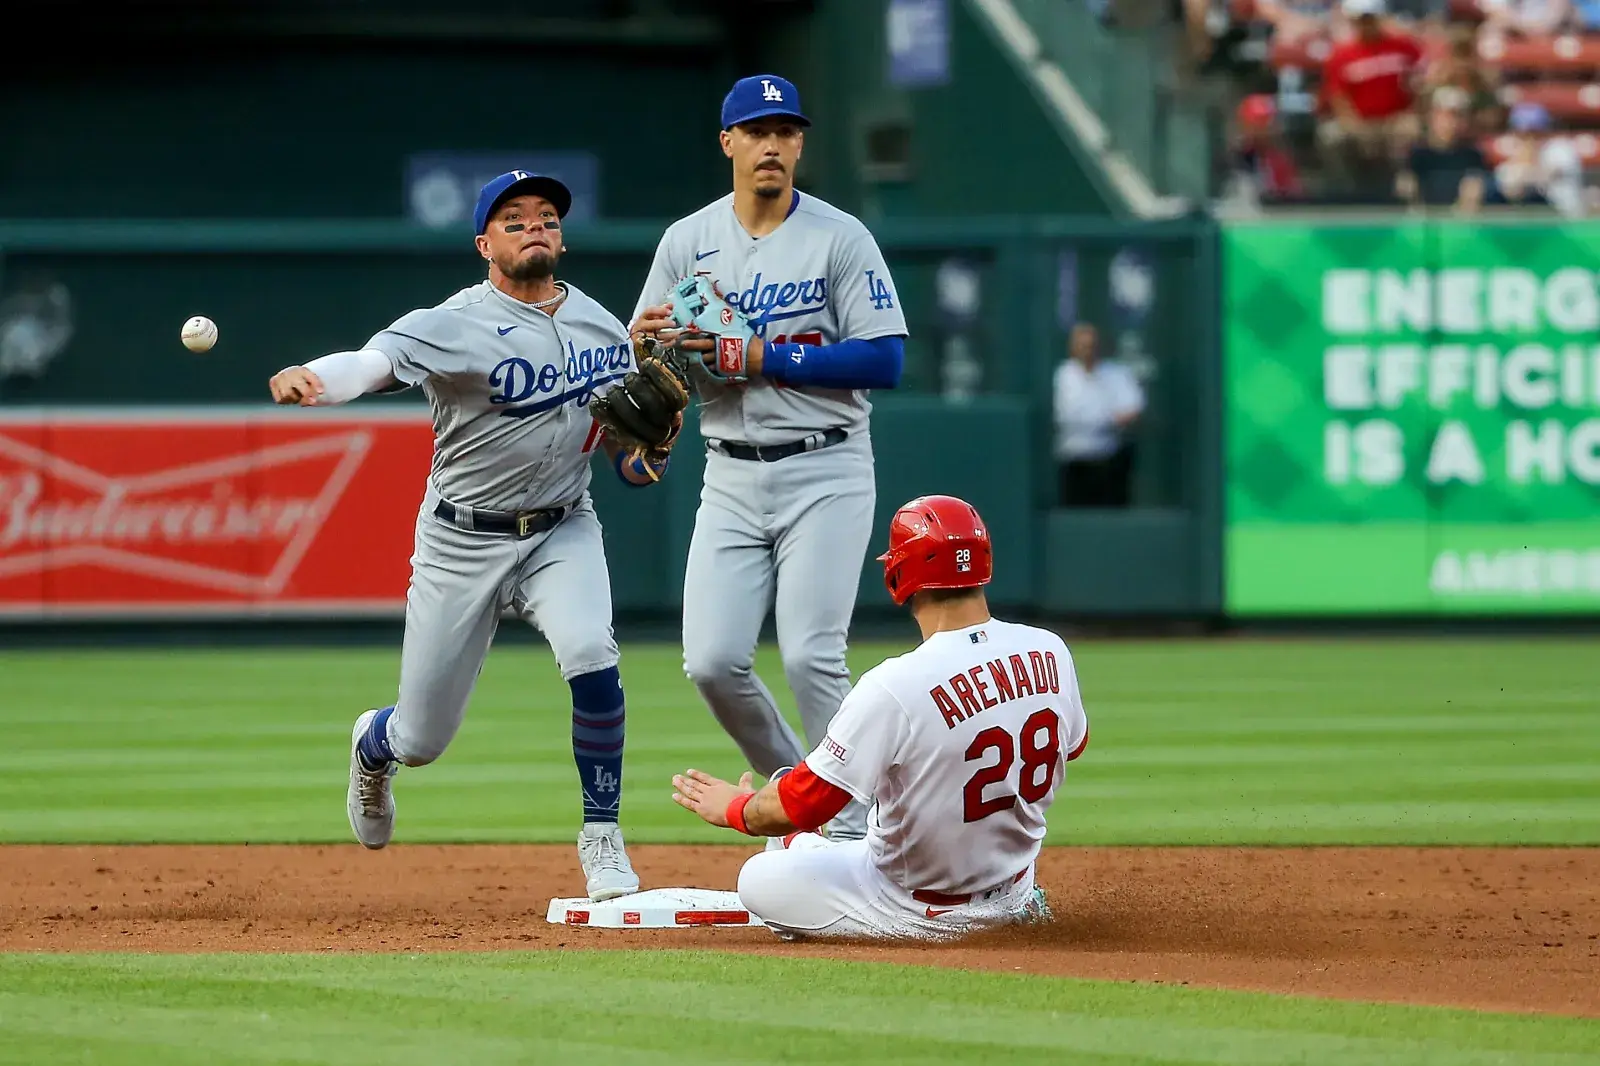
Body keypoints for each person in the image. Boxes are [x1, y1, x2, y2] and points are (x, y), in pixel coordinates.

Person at [267, 171, 678, 902]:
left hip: (562, 527)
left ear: (562, 236)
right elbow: (373, 363)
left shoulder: (603, 328)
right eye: (514, 219)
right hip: (462, 539)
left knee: (591, 652)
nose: (533, 227)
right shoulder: (452, 322)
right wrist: (316, 379)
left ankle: (603, 836)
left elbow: (624, 456)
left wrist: (644, 460)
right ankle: (374, 745)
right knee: (422, 741)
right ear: (485, 243)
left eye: (546, 216)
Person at [629, 75, 909, 842]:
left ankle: (855, 830)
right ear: (728, 143)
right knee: (714, 662)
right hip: (730, 470)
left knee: (814, 655)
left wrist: (760, 353)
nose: (773, 145)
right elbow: (649, 361)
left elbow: (885, 361)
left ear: (800, 145)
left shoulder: (839, 236)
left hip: (827, 463)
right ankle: (809, 801)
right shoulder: (688, 242)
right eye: (757, 131)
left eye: (786, 131)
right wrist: (646, 354)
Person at [670, 494, 1090, 940]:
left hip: (917, 907)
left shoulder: (895, 684)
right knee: (836, 835)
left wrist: (736, 809)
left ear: (901, 573)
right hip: (1014, 889)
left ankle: (801, 849)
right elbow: (1072, 745)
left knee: (760, 877)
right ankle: (807, 847)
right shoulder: (1048, 649)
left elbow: (802, 803)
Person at [1317, 0, 1424, 198]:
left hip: (1396, 119)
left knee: (1412, 130)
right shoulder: (1341, 55)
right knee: (1332, 136)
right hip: (1360, 122)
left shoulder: (1404, 47)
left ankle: (1410, 192)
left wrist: (1410, 112)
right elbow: (1338, 97)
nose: (1366, 25)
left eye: (1370, 19)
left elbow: (1417, 86)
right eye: (1361, 20)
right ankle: (1346, 192)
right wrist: (1356, 126)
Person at [1053, 323, 1145, 508]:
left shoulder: (1116, 374)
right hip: (1074, 461)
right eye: (1082, 345)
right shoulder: (1064, 376)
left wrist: (1106, 420)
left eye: (1091, 345)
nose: (1087, 350)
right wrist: (1108, 418)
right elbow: (1066, 415)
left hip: (1108, 459)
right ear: (1073, 347)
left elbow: (1134, 407)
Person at [1492, 102, 1585, 216]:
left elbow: (1547, 175)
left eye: (1534, 132)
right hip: (1532, 221)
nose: (1529, 138)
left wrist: (1524, 168)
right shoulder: (1513, 154)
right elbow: (1509, 189)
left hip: (1564, 218)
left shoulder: (1560, 148)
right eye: (1522, 133)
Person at [1396, 100, 1488, 212]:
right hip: (1424, 218)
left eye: (1455, 117)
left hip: (1459, 220)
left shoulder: (1472, 155)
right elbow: (1406, 187)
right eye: (1444, 117)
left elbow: (1473, 190)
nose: (1449, 123)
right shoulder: (1418, 154)